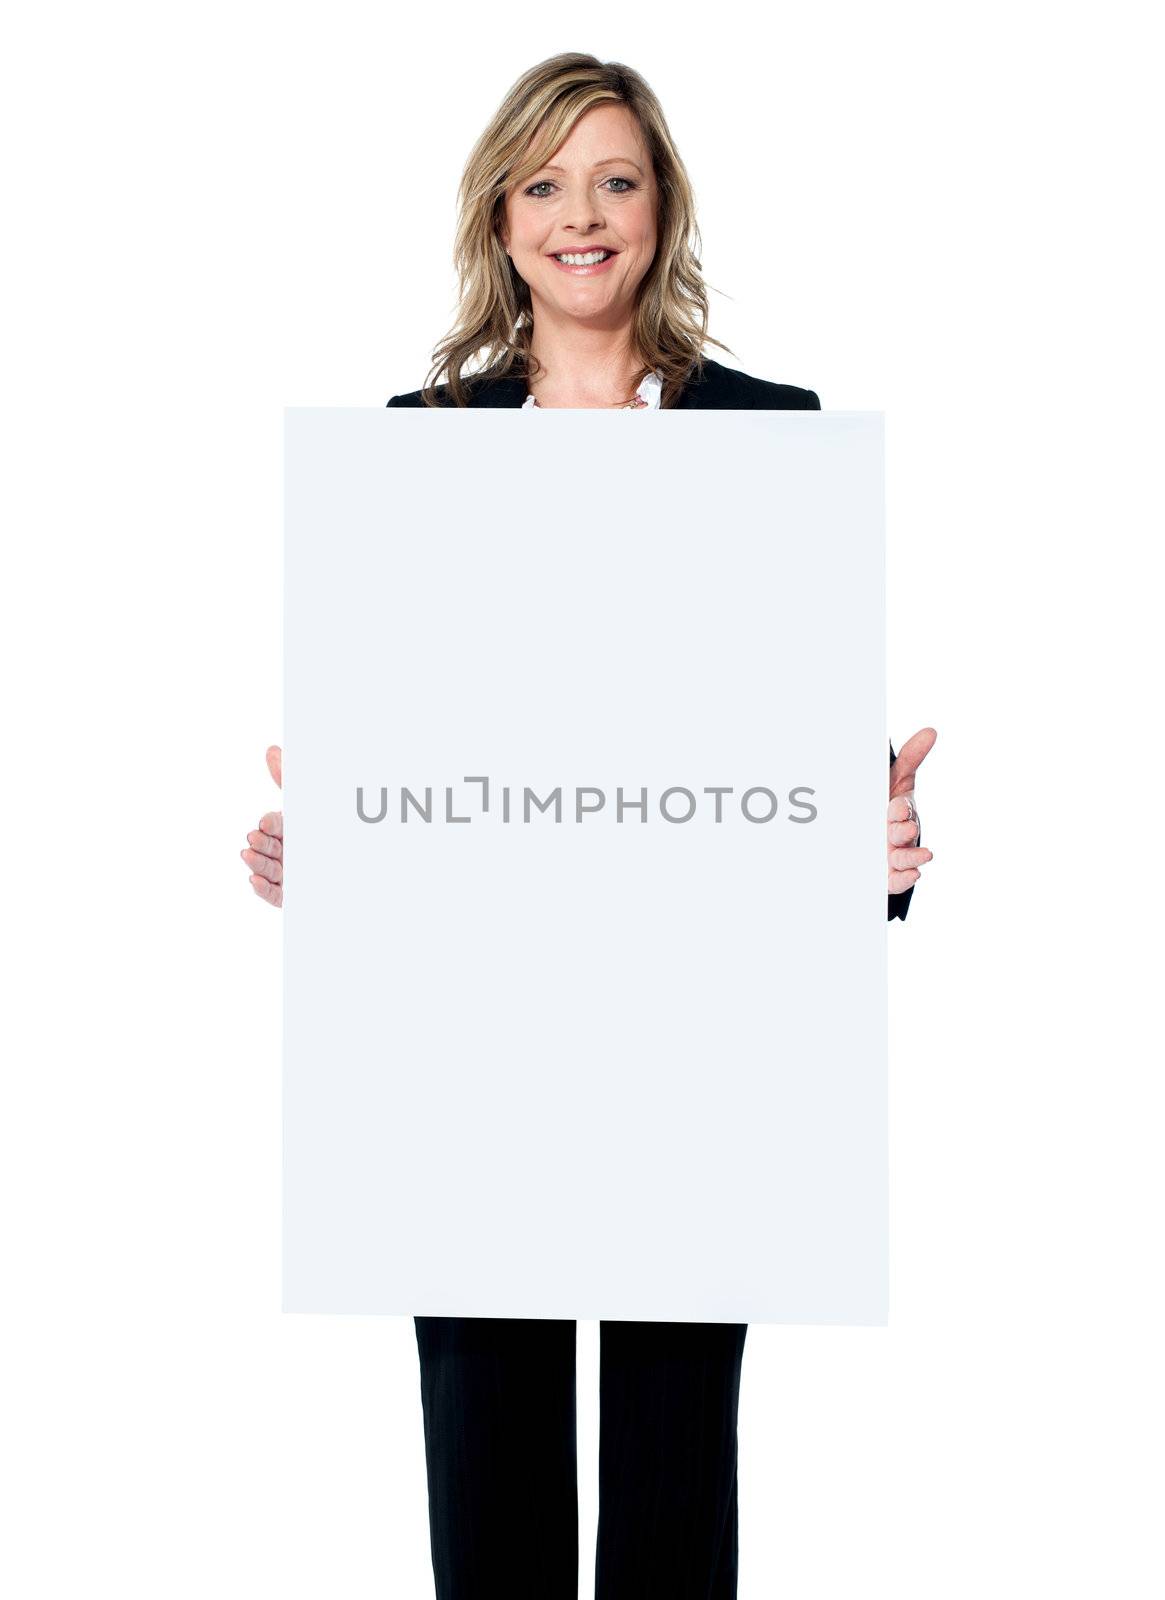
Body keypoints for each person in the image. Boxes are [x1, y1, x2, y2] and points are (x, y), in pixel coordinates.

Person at [241, 51, 936, 1600]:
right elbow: (402, 762)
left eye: (615, 177)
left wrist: (862, 854)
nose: (581, 214)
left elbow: (794, 770)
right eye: (545, 181)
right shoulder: (414, 447)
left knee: (676, 1475)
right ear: (500, 218)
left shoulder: (772, 433)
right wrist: (330, 856)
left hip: (702, 1041)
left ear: (660, 208)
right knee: (484, 1469)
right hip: (467, 1044)